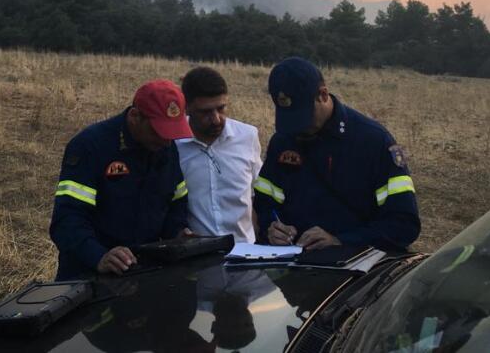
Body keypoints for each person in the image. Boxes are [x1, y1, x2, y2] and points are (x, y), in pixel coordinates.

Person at [253, 57, 420, 252]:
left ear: (323, 95)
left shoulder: (376, 141)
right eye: (289, 118)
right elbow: (264, 204)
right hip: (296, 266)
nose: (298, 128)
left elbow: (404, 224)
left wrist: (341, 240)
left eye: (303, 116)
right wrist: (271, 227)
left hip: (362, 268)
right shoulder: (283, 140)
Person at [50, 79, 193, 280]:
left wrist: (179, 233)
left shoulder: (166, 147)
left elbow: (176, 203)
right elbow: (67, 219)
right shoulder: (90, 147)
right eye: (158, 131)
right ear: (135, 117)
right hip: (89, 276)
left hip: (144, 273)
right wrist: (98, 256)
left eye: (171, 133)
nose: (166, 140)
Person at [176, 67, 262, 243]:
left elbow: (256, 195)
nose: (216, 119)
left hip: (245, 255)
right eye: (205, 112)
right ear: (187, 108)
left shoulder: (248, 136)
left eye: (221, 108)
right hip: (196, 259)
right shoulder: (174, 145)